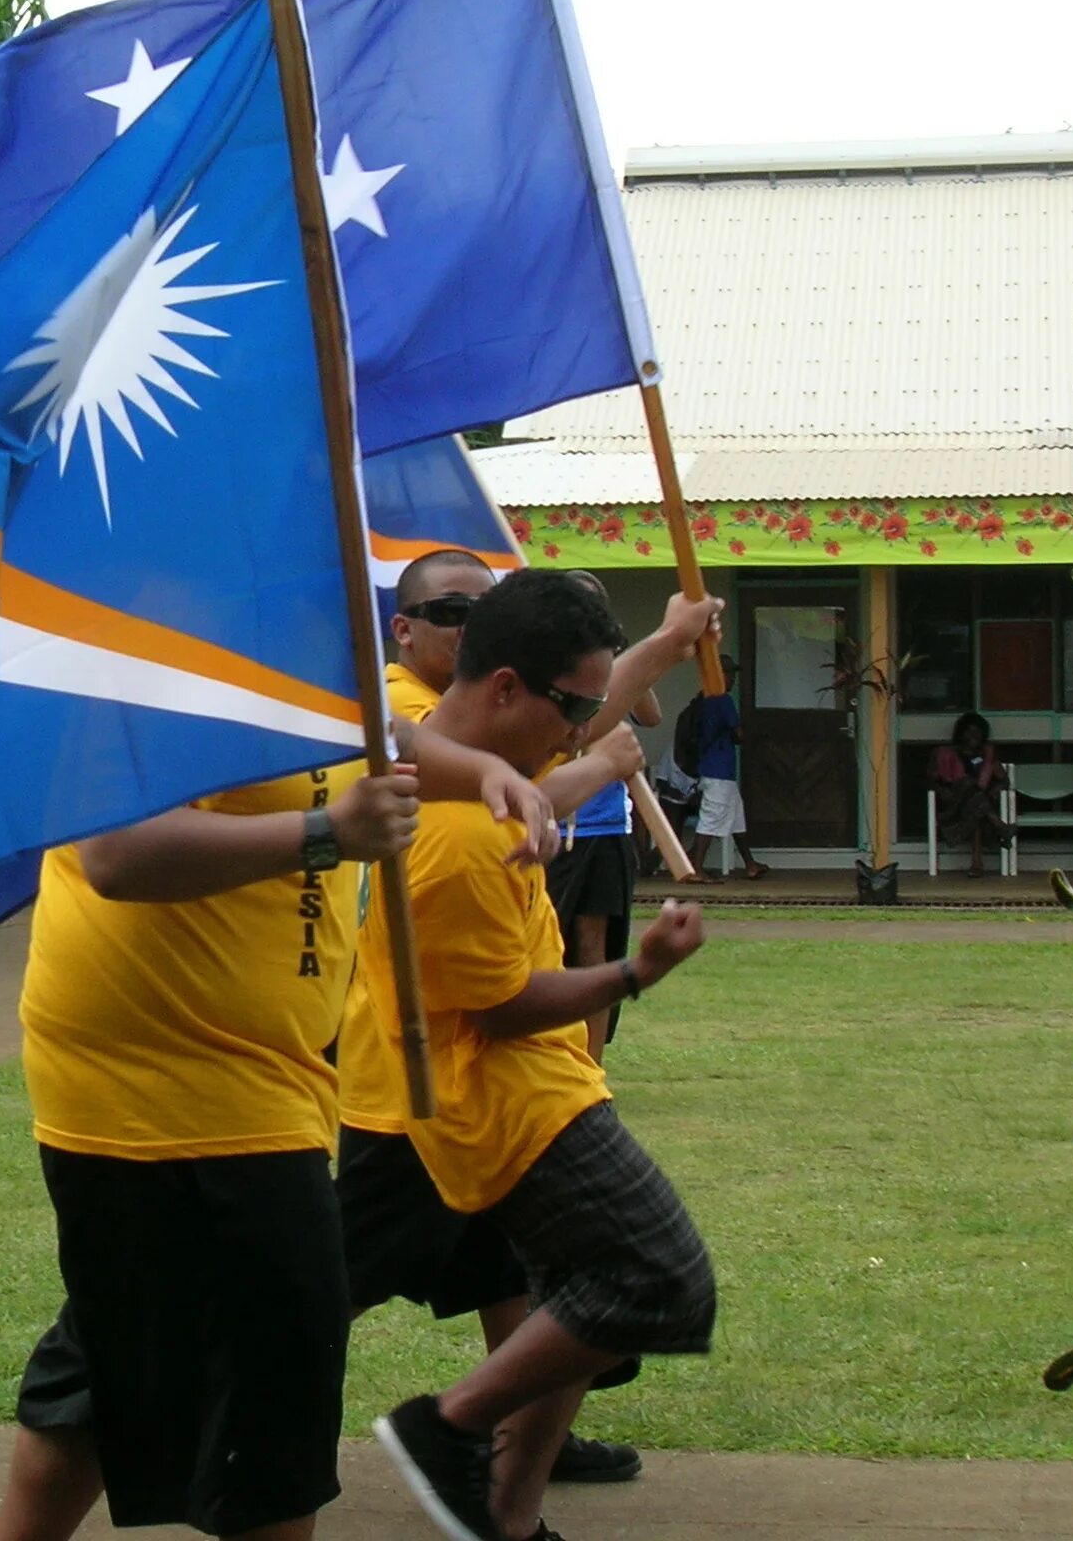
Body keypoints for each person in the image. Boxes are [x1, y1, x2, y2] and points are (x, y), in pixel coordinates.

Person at [362, 572, 715, 1541]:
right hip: (478, 1113)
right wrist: (634, 975)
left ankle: (506, 1514)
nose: (578, 727)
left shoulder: (486, 780)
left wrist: (601, 749)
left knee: (574, 1295)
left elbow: (531, 782)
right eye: (569, 707)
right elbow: (503, 1008)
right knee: (657, 1278)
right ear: (507, 686)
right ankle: (447, 1428)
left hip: (527, 1096)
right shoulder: (442, 820)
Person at [0, 760, 420, 1541]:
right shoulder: (161, 657)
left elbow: (424, 735)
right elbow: (118, 852)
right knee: (278, 1399)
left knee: (112, 1354)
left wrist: (515, 774)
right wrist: (328, 833)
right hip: (190, 1092)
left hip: (231, 1086)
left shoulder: (319, 669)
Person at [546, 570, 664, 1057]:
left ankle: (590, 1065)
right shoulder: (544, 667)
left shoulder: (608, 668)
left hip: (603, 826)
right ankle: (548, 1055)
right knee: (546, 945)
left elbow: (651, 714)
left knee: (593, 946)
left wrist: (618, 657)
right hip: (551, 822)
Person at [684, 662, 766, 882]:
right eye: (730, 675)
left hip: (714, 769)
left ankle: (750, 864)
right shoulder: (722, 699)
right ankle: (696, 870)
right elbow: (738, 734)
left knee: (736, 818)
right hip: (718, 770)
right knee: (710, 820)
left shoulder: (703, 699)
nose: (733, 680)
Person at [930, 711, 1013, 878]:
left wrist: (998, 787)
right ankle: (1001, 827)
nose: (973, 736)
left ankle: (977, 864)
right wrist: (942, 791)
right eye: (969, 731)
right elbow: (930, 780)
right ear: (961, 733)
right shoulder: (946, 753)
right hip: (954, 806)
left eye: (977, 732)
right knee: (967, 785)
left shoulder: (987, 755)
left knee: (975, 805)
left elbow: (1004, 780)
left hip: (978, 806)